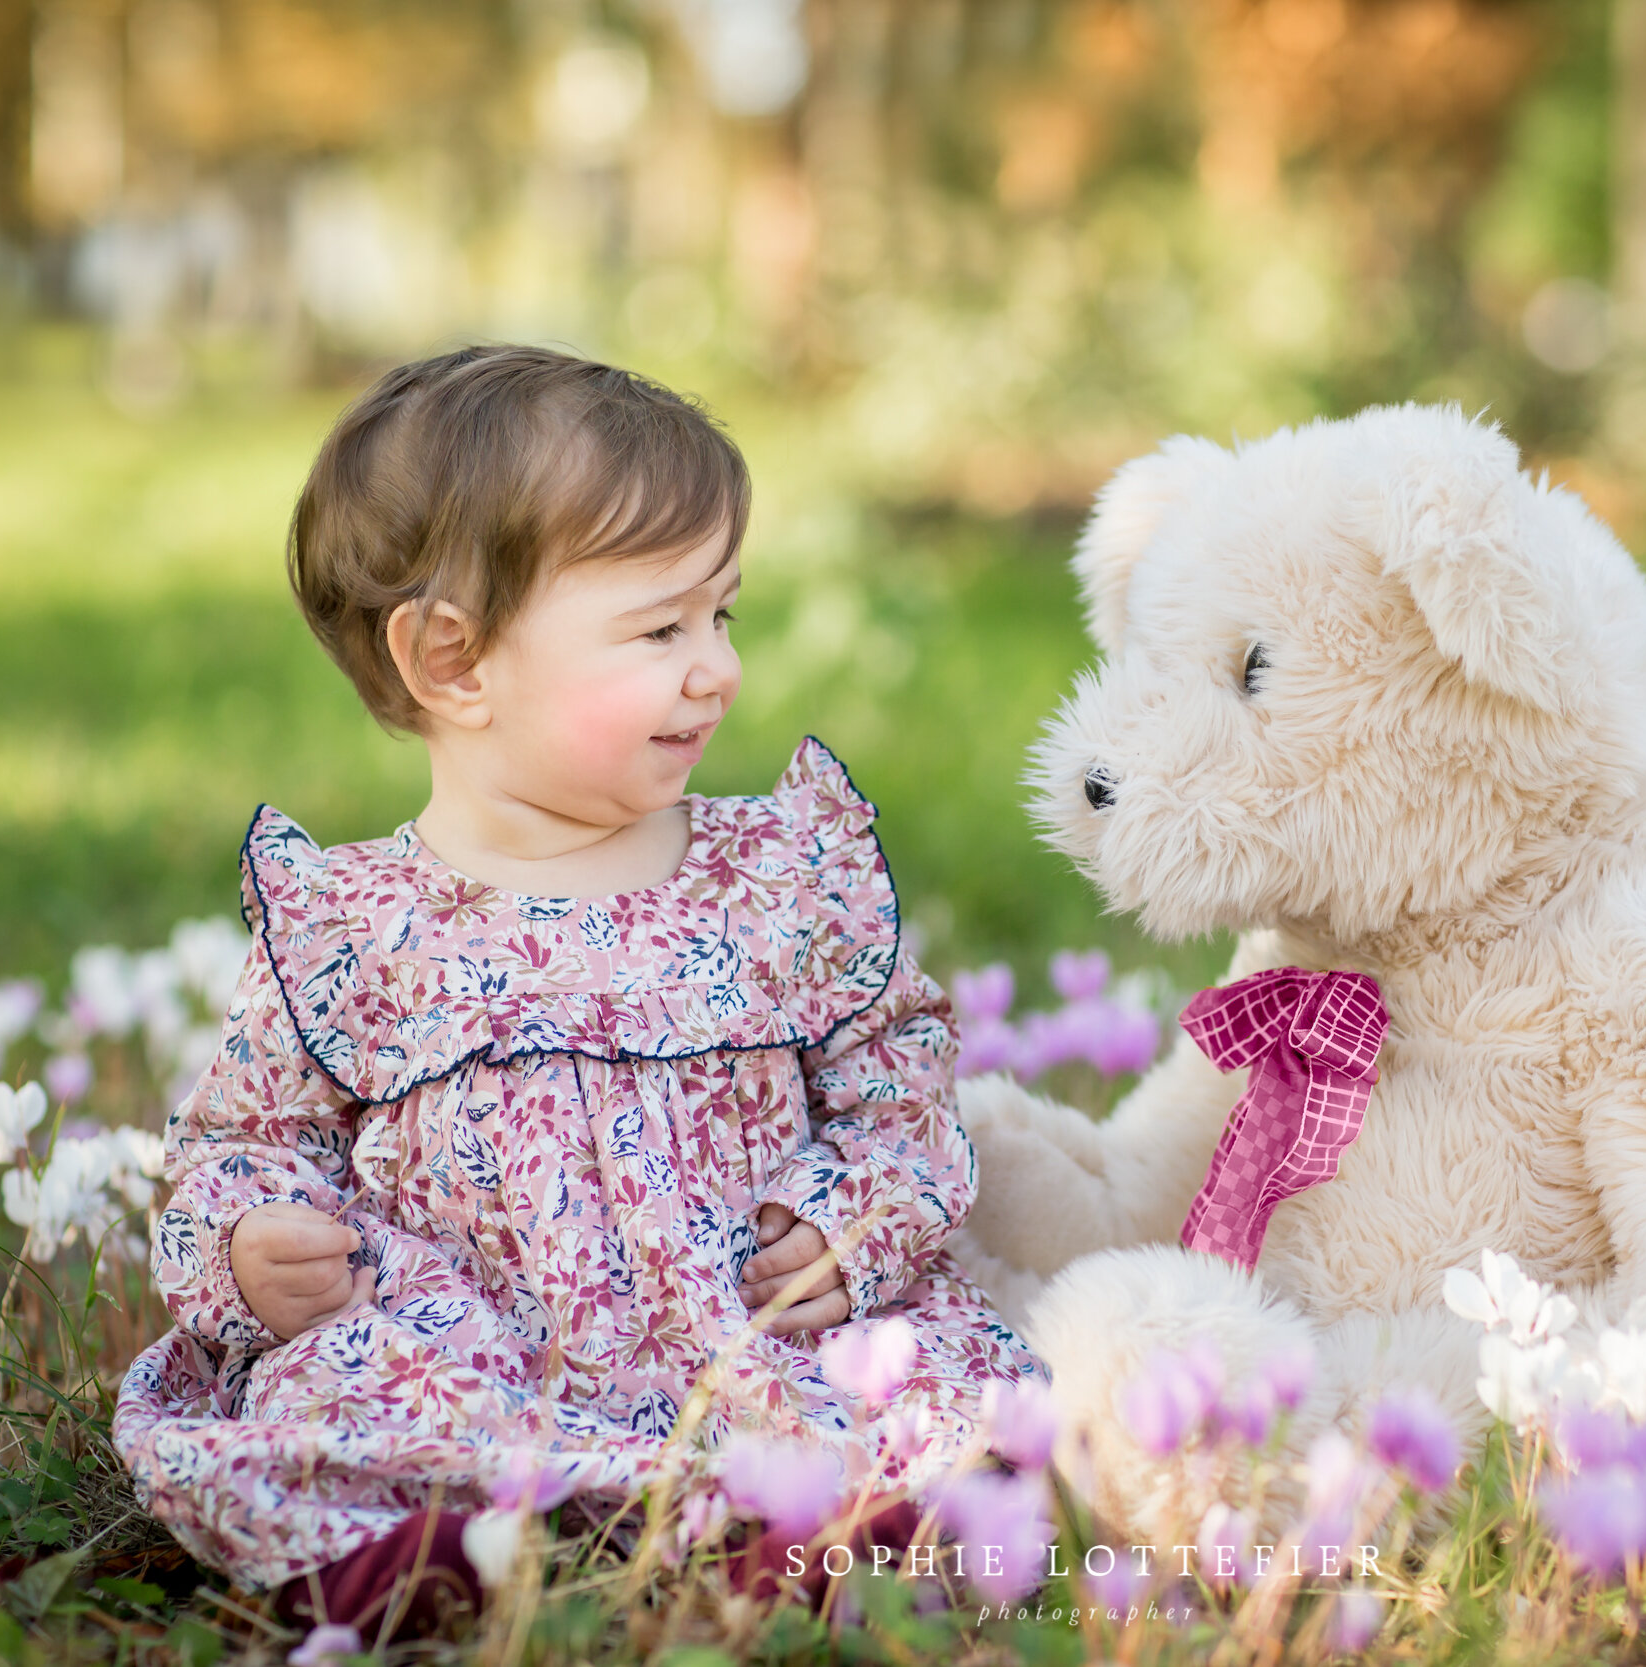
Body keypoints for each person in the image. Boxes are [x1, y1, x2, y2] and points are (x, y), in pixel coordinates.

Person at [112, 346, 1042, 1629]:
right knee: (336, 1397)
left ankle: (789, 1531)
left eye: (723, 614)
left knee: (921, 1399)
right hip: (473, 1350)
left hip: (744, 1339)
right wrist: (252, 1249)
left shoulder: (772, 874)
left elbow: (900, 1086)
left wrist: (849, 1221)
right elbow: (242, 1142)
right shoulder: (357, 928)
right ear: (454, 662)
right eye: (659, 627)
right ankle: (455, 1548)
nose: (714, 665)